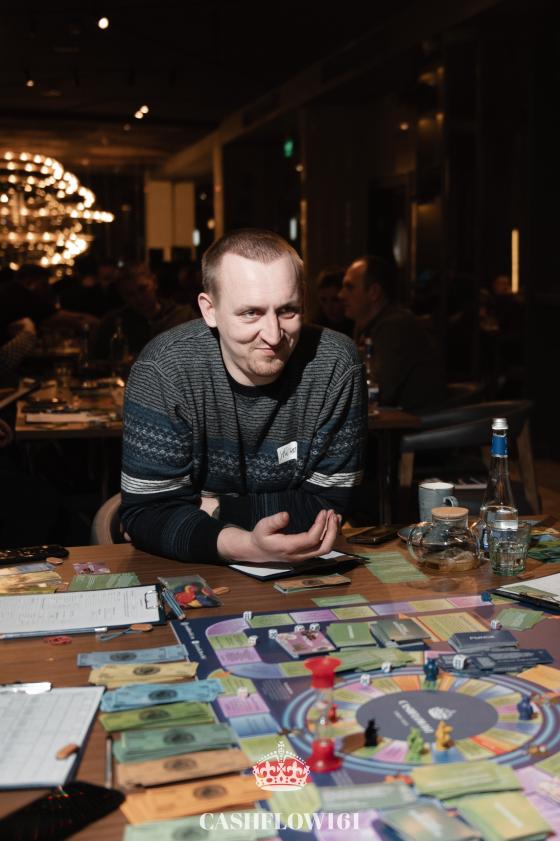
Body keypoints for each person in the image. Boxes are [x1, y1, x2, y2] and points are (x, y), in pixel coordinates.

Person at [120, 229, 367, 565]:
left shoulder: (335, 363)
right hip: (189, 570)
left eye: (288, 310)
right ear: (209, 310)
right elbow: (146, 514)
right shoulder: (163, 369)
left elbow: (329, 507)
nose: (273, 335)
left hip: (301, 568)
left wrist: (210, 507)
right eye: (251, 313)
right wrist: (246, 545)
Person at [340, 255, 445, 411]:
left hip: (415, 423)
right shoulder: (368, 326)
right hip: (393, 421)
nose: (341, 295)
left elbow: (377, 395)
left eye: (349, 287)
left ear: (374, 292)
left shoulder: (394, 327)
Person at [92, 264, 196, 358]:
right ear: (122, 295)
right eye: (130, 294)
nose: (139, 298)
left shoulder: (183, 316)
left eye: (143, 289)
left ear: (154, 283)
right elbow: (98, 360)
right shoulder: (113, 323)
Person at [314, 268, 354, 336]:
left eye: (335, 300)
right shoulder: (315, 328)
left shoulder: (357, 327)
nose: (329, 307)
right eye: (323, 300)